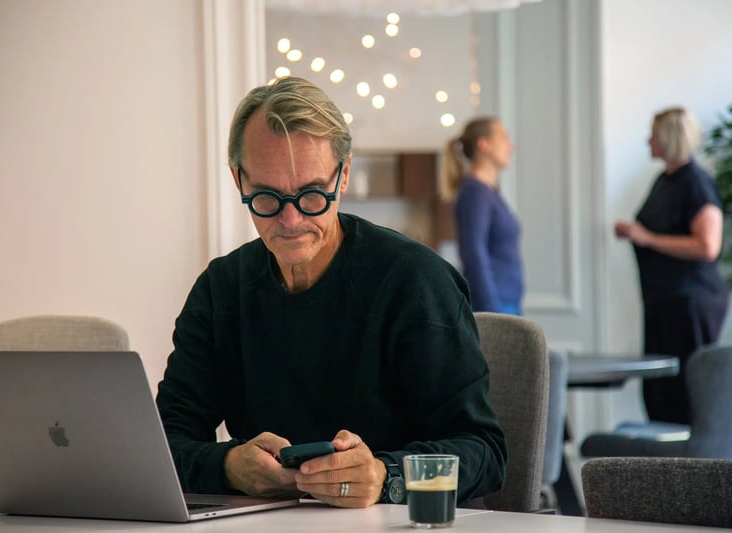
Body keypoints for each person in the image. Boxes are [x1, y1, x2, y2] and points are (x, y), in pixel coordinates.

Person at [155, 76, 507, 509]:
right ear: (238, 180)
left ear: (343, 176)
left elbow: (484, 450)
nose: (290, 220)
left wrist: (385, 476)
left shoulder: (416, 282)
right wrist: (228, 465)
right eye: (266, 197)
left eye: (311, 195)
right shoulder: (221, 290)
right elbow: (164, 442)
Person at [615, 106, 729, 425]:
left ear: (667, 137)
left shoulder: (696, 183)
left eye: (653, 134)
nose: (648, 140)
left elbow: (708, 246)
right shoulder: (665, 181)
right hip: (663, 301)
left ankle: (693, 456)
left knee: (687, 393)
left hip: (690, 302)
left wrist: (648, 238)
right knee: (661, 393)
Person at [441, 117, 524, 315]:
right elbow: (473, 254)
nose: (510, 144)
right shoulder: (475, 193)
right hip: (493, 306)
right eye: (503, 137)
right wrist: (492, 312)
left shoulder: (487, 192)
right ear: (484, 144)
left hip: (505, 302)